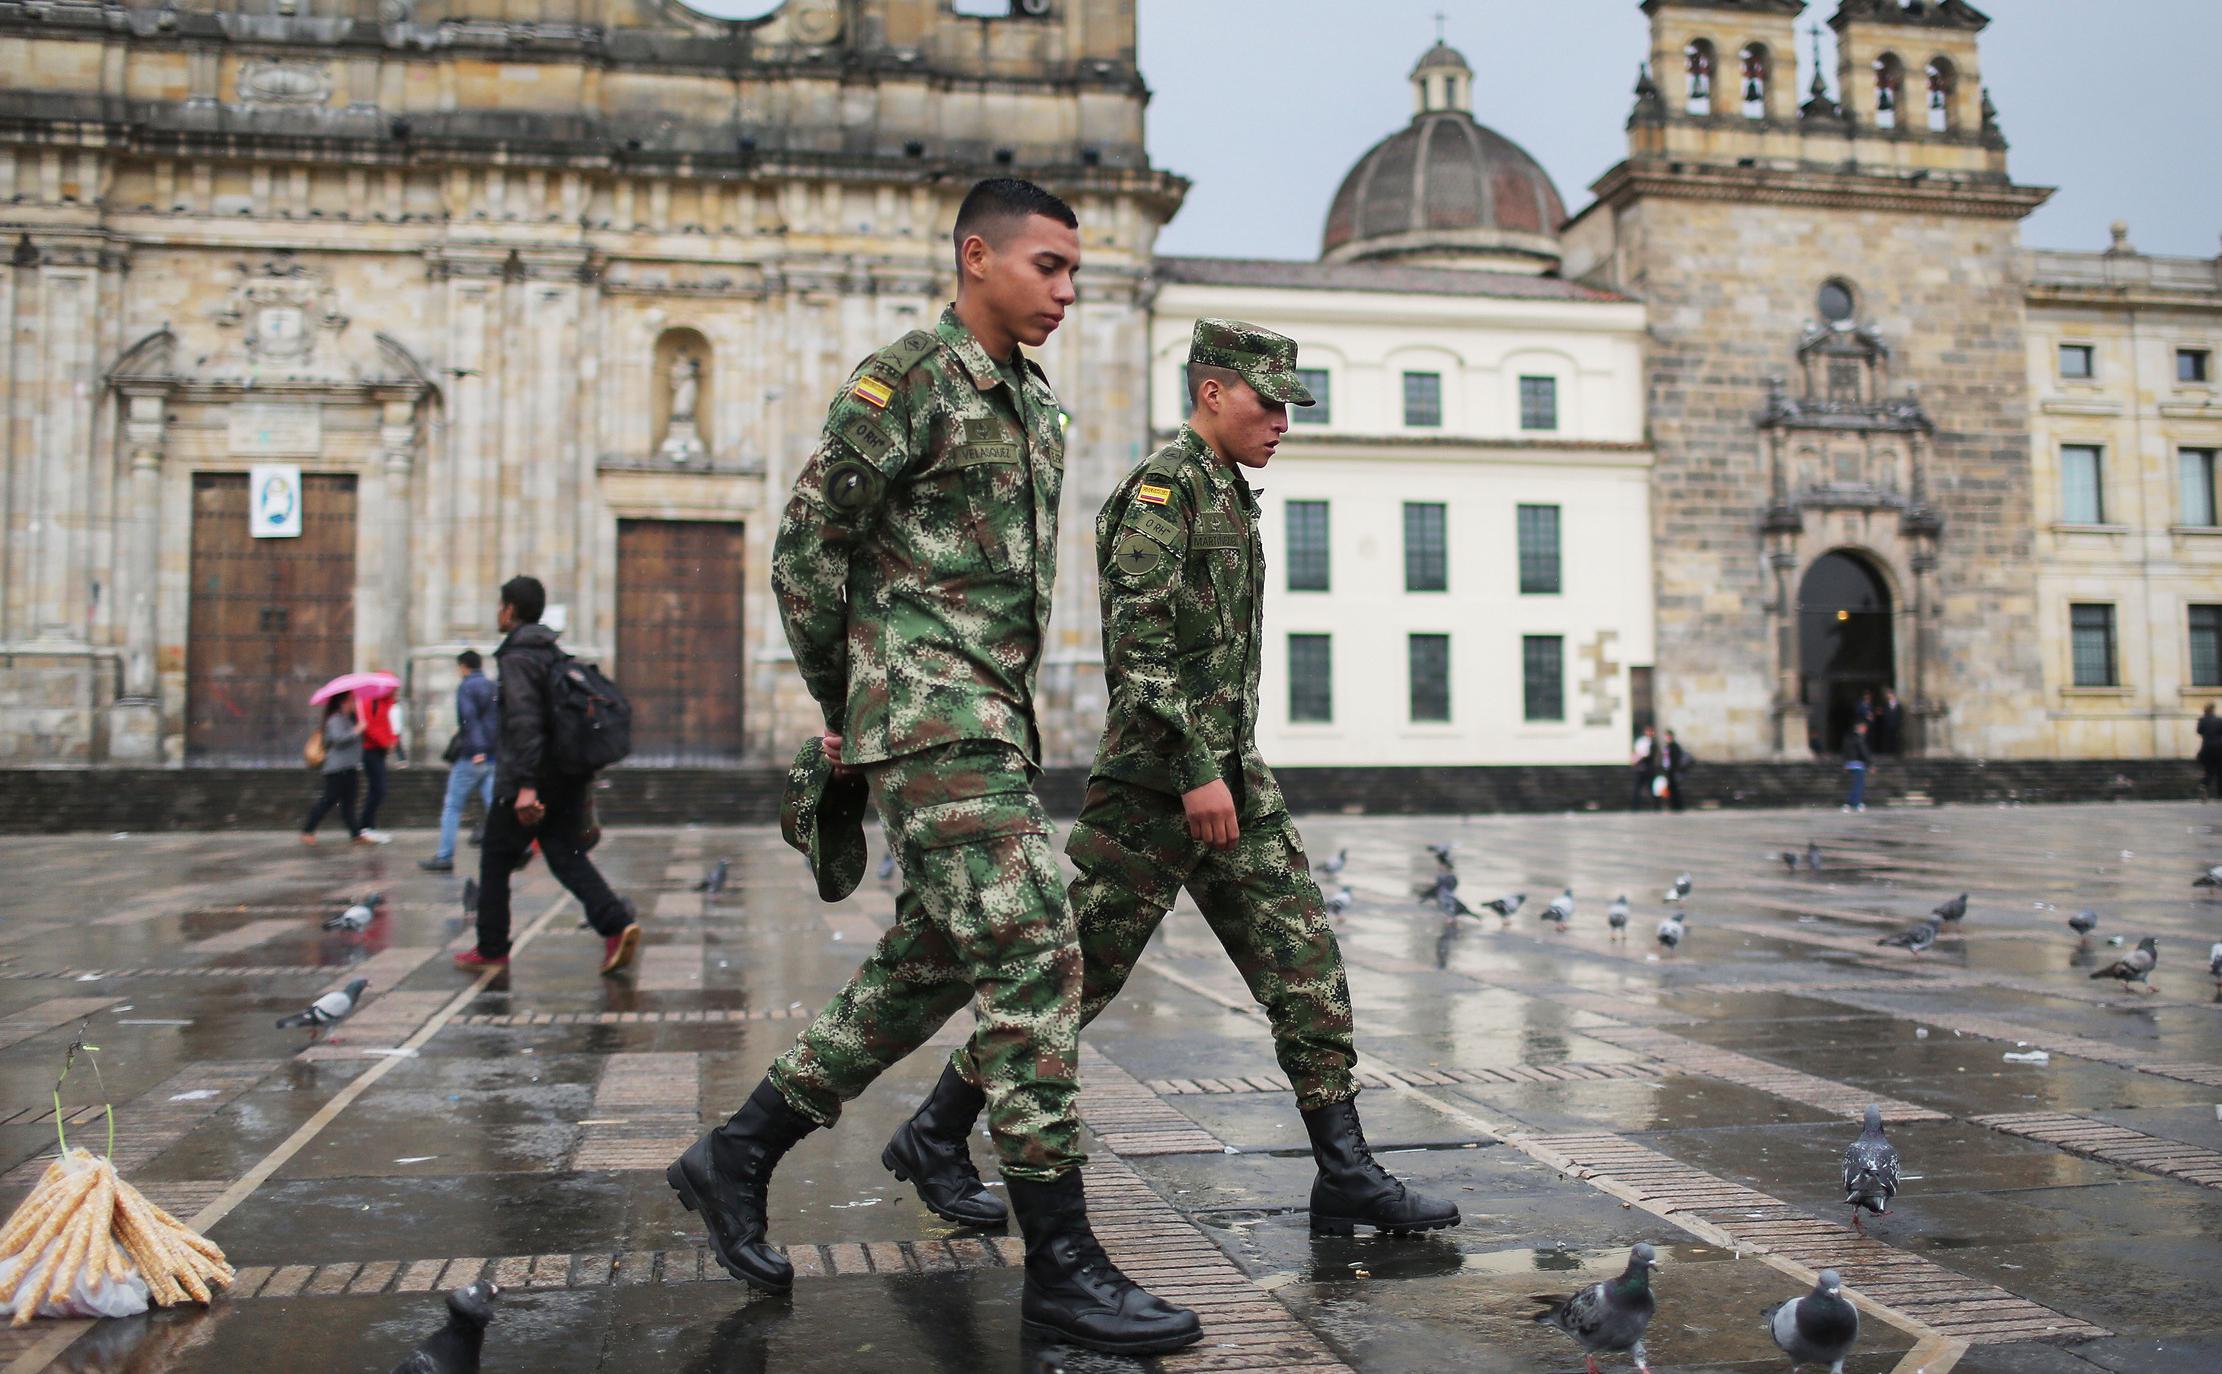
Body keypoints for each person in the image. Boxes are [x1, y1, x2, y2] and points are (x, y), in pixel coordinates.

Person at [665, 179, 1199, 1356]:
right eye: (1047, 266)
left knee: (928, 963)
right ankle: (1060, 1262)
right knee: (1034, 949)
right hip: (924, 716)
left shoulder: (1035, 408)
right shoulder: (906, 378)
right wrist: (847, 701)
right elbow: (809, 548)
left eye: (1074, 272)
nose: (1066, 290)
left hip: (989, 722)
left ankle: (737, 1151)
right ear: (976, 258)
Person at [916, 319, 1458, 1243]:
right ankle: (934, 1132)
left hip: (1230, 782)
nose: (1284, 420)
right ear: (1213, 394)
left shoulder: (1230, 494)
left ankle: (1345, 1171)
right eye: (1269, 401)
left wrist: (1226, 771)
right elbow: (1139, 647)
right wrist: (1199, 769)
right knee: (1074, 980)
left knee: (1306, 967)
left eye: (1291, 405)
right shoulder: (1164, 492)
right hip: (1156, 790)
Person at [454, 575, 641, 977]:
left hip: (532, 779)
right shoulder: (552, 652)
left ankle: (491, 946)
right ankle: (615, 923)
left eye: (501, 606)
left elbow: (524, 723)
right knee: (565, 855)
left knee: (496, 856)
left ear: (510, 609)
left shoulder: (518, 656)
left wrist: (524, 786)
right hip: (564, 775)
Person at [421, 650, 497, 873]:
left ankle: (444, 855)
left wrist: (477, 749)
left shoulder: (466, 687)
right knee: (493, 805)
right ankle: (515, 848)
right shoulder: (493, 686)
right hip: (492, 756)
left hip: (472, 756)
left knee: (453, 806)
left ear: (463, 666)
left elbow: (468, 720)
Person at [301, 698, 365, 845]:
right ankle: (308, 831)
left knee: (349, 802)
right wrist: (357, 730)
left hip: (349, 767)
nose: (355, 703)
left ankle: (356, 834)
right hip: (337, 768)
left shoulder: (347, 718)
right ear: (343, 702)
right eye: (352, 700)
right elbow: (338, 739)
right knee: (328, 800)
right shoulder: (335, 719)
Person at [354, 686, 398, 844]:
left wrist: (392, 740)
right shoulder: (369, 702)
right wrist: (385, 742)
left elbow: (389, 725)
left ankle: (368, 826)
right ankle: (365, 826)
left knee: (377, 789)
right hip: (371, 750)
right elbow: (369, 727)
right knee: (379, 789)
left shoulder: (387, 704)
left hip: (380, 751)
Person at [1842, 719, 1873, 812]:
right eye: (1864, 728)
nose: (1865, 730)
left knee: (1855, 784)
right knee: (1858, 785)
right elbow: (1863, 752)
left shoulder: (1849, 738)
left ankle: (1850, 804)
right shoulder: (1859, 738)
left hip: (1850, 764)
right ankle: (1855, 803)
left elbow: (1845, 752)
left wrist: (1845, 764)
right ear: (1860, 728)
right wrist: (1870, 763)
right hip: (1858, 764)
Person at [1660, 728, 1692, 812]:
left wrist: (1674, 768)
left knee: (1674, 789)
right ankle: (1674, 805)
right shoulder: (1667, 746)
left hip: (1673, 770)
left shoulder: (1674, 746)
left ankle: (1677, 806)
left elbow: (1675, 759)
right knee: (1672, 789)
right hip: (1668, 770)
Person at [1630, 724, 1658, 811]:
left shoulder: (1653, 742)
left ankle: (1656, 806)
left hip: (1649, 768)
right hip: (1641, 768)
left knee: (1651, 788)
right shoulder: (1641, 742)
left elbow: (1650, 755)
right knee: (1637, 788)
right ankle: (1635, 806)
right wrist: (1635, 761)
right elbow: (1638, 753)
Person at [2198, 704, 2222, 801]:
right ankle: (2220, 794)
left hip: (2206, 747)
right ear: (2213, 710)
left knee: (2209, 770)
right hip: (2219, 748)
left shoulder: (2202, 720)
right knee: (2220, 771)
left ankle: (2204, 785)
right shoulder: (2219, 720)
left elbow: (2199, 731)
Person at [1880, 687, 1905, 756]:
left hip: (1896, 725)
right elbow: (1885, 714)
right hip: (1888, 725)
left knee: (1897, 739)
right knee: (1889, 739)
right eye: (1889, 695)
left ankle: (1897, 752)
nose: (1890, 696)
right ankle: (1889, 752)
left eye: (1891, 694)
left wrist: (1899, 723)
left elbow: (1900, 715)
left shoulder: (1898, 705)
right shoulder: (1886, 705)